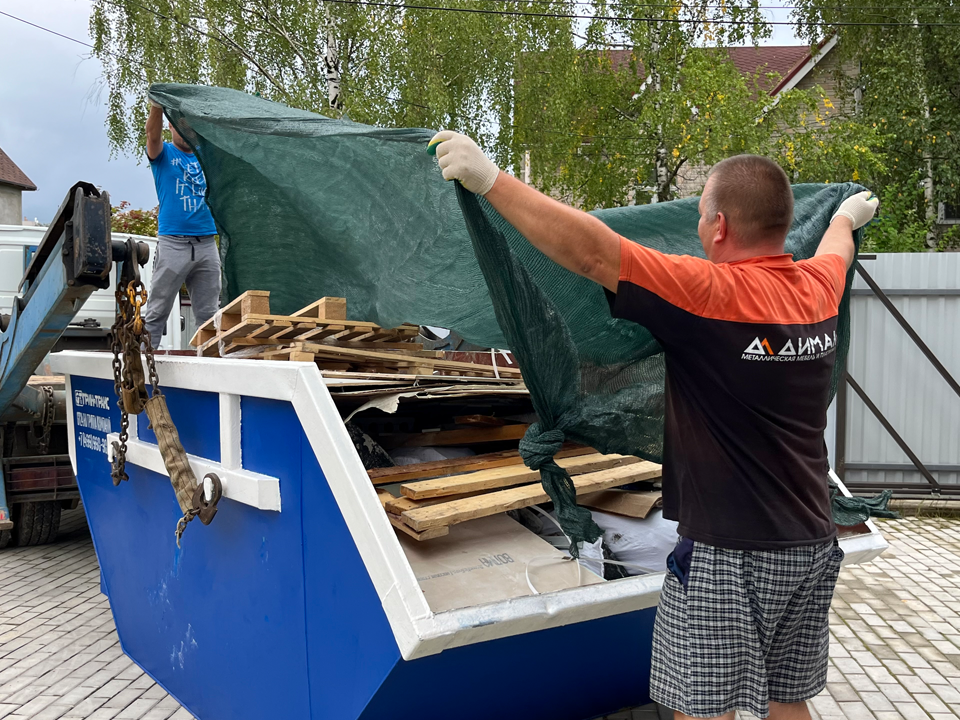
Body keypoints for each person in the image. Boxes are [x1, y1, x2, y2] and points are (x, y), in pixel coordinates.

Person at [428, 130, 878, 720]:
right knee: (786, 699)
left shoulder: (709, 292)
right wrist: (845, 214)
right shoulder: (818, 290)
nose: (696, 229)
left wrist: (490, 179)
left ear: (719, 227)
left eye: (698, 216)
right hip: (811, 540)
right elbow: (836, 250)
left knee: (700, 706)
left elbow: (592, 252)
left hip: (729, 552)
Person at [143, 100, 221, 348]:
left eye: (190, 127)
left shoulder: (206, 158)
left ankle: (210, 372)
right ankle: (142, 370)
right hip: (173, 242)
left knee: (209, 315)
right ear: (171, 127)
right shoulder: (163, 154)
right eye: (180, 126)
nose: (185, 131)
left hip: (207, 243)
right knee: (157, 310)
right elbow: (151, 135)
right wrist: (156, 105)